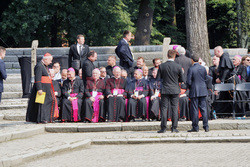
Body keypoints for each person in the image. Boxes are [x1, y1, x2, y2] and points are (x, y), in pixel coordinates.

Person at [157, 50, 184, 133]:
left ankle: (163, 128)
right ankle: (174, 127)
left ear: (167, 55)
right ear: (174, 56)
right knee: (175, 108)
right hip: (175, 89)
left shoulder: (162, 66)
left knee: (164, 108)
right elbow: (182, 79)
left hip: (165, 89)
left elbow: (158, 78)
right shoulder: (178, 66)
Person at [26, 53, 59, 123]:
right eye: (50, 60)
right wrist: (39, 89)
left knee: (48, 102)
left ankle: (47, 118)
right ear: (46, 59)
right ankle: (42, 119)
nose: (51, 62)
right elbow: (37, 78)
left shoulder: (44, 66)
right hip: (42, 88)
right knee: (42, 104)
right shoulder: (39, 66)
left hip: (46, 88)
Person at [187, 55, 209, 132]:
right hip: (203, 90)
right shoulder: (203, 68)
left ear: (192, 60)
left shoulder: (191, 69)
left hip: (194, 90)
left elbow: (189, 81)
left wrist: (189, 87)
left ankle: (195, 127)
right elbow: (206, 78)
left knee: (195, 109)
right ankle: (206, 126)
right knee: (204, 109)